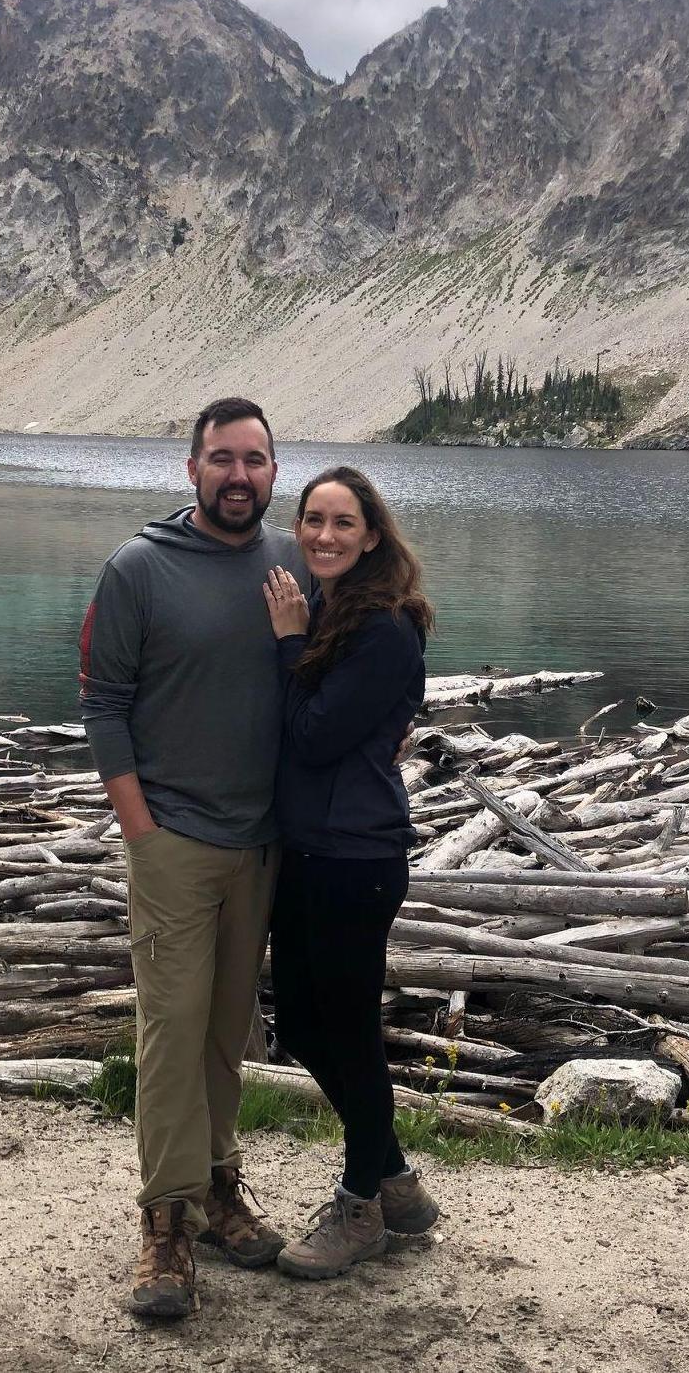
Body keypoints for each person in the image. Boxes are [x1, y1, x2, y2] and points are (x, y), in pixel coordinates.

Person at [80, 397, 310, 1320]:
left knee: (224, 1027)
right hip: (173, 837)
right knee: (172, 1029)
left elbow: (336, 665)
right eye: (222, 458)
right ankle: (165, 1220)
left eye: (255, 460)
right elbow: (103, 703)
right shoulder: (137, 568)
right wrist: (140, 829)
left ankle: (218, 1186)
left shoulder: (292, 563)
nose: (239, 476)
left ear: (273, 472)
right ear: (190, 469)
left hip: (259, 845)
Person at [261, 465, 441, 1280]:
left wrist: (289, 642)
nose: (323, 535)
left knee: (351, 1033)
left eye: (342, 523)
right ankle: (395, 1175)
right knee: (300, 1022)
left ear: (372, 534)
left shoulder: (380, 627)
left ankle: (360, 1203)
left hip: (356, 857)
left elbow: (313, 737)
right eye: (312, 521)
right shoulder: (339, 607)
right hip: (309, 849)